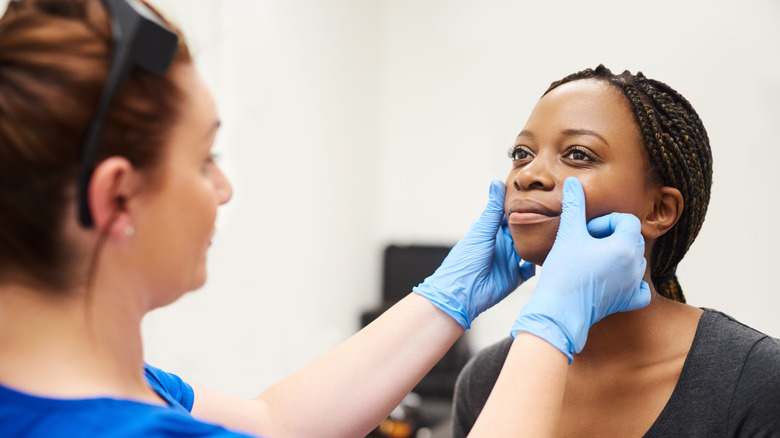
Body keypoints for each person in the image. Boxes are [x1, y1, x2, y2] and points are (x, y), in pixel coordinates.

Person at [0, 2, 649, 437]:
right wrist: (549, 327)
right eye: (205, 159)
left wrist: (446, 299)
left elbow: (275, 424)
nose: (223, 189)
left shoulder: (117, 388)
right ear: (116, 198)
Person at [452, 65, 780, 437]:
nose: (527, 175)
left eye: (578, 154)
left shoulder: (757, 380)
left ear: (659, 210)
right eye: (522, 153)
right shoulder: (484, 379)